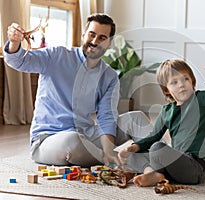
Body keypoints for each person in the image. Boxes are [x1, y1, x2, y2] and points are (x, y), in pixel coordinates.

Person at [3, 13, 122, 167]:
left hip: (84, 135)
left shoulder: (109, 76)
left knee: (135, 120)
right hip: (49, 140)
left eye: (102, 38)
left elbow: (106, 116)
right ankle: (125, 160)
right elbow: (19, 60)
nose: (94, 42)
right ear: (83, 34)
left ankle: (116, 156)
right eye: (91, 35)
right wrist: (14, 42)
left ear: (109, 43)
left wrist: (108, 147)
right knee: (72, 142)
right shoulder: (56, 56)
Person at [118, 59, 205, 187]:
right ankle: (156, 175)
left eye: (185, 79)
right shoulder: (166, 111)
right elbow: (153, 136)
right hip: (176, 164)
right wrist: (134, 147)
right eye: (174, 82)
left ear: (192, 81)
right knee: (132, 155)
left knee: (158, 148)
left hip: (196, 168)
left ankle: (154, 172)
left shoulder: (200, 99)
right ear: (166, 90)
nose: (181, 85)